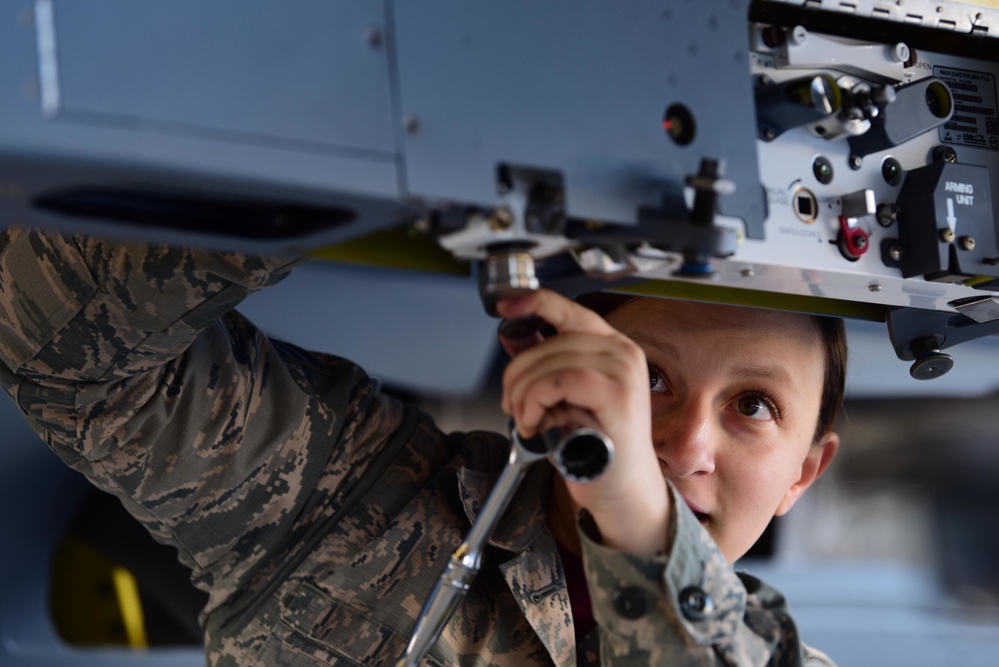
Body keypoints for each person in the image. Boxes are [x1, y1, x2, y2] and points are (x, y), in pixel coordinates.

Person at [0, 227, 844, 666]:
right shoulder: (361, 495)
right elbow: (71, 364)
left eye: (753, 405)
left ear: (804, 471)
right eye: (649, 379)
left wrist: (632, 507)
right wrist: (327, 165)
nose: (683, 442)